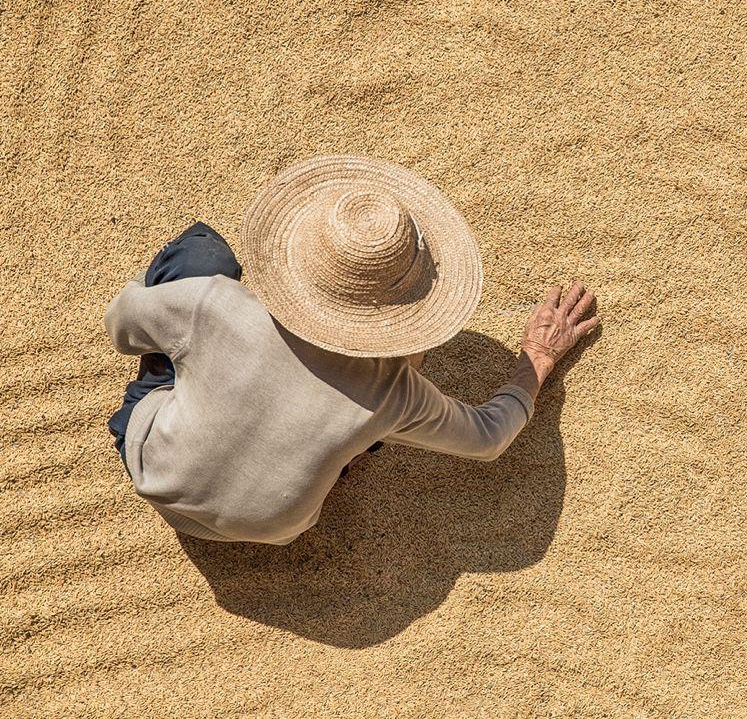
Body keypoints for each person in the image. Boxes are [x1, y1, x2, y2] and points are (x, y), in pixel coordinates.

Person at [104, 155, 599, 545]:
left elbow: (121, 325)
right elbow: (490, 438)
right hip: (274, 527)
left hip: (154, 472)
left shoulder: (214, 305)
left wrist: (199, 338)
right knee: (365, 428)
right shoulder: (396, 392)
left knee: (202, 253)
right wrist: (539, 354)